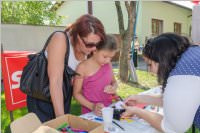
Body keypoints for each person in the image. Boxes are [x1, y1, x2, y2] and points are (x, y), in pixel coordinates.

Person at [27, 14, 106, 122]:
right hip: (42, 96)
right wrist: (61, 119)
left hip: (63, 94)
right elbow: (55, 82)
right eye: (90, 44)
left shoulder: (89, 48)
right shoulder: (60, 39)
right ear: (78, 37)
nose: (94, 49)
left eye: (98, 44)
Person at [122, 33, 200, 133]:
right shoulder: (191, 53)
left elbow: (172, 128)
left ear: (162, 59)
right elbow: (177, 102)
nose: (149, 71)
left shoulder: (182, 76)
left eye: (149, 65)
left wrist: (138, 111)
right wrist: (141, 99)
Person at [73, 35, 118, 116]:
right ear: (95, 50)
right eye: (105, 56)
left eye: (111, 58)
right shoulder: (82, 67)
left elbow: (114, 82)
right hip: (90, 112)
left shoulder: (108, 64)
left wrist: (114, 87)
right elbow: (76, 94)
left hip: (108, 110)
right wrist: (93, 106)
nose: (108, 60)